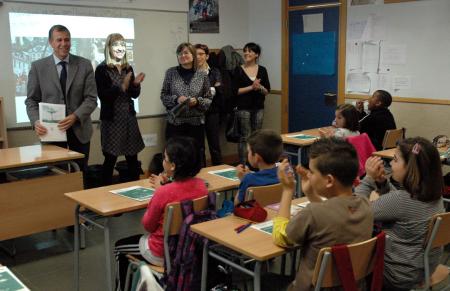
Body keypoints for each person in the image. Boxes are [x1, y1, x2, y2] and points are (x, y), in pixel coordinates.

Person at [273, 138, 373, 291]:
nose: (309, 176)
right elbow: (334, 215)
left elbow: (281, 237)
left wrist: (287, 190)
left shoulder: (313, 213)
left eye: (312, 172)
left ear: (329, 180)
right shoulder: (365, 205)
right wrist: (311, 194)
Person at [114, 136, 207, 291]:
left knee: (119, 247)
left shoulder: (164, 193)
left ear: (173, 166)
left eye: (165, 158)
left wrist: (161, 190)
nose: (163, 161)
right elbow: (181, 191)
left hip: (160, 252)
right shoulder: (202, 187)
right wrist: (165, 186)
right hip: (188, 249)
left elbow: (148, 226)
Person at [355, 137, 444, 290]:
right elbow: (400, 204)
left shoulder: (400, 201)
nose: (390, 164)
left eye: (395, 160)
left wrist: (369, 179)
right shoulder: (435, 196)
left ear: (410, 168)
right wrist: (383, 183)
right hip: (423, 268)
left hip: (395, 276)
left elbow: (354, 211)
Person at [26, 24, 97, 178]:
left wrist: (75, 116)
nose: (64, 44)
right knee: (57, 175)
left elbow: (91, 98)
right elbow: (31, 100)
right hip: (51, 132)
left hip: (79, 130)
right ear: (51, 42)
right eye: (59, 40)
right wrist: (36, 121)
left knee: (81, 174)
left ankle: (81, 202)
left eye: (67, 40)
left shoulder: (84, 65)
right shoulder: (38, 67)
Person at [95, 33, 146, 185]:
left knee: (132, 157)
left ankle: (136, 191)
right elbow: (104, 96)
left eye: (122, 45)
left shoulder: (128, 67)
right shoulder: (101, 69)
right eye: (116, 45)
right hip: (112, 120)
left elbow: (134, 95)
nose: (119, 48)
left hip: (128, 118)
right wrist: (121, 87)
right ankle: (105, 194)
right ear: (109, 48)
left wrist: (135, 84)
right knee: (110, 158)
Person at [160, 42, 212, 167]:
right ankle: (175, 184)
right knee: (175, 156)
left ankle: (198, 182)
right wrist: (177, 99)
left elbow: (208, 98)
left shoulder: (202, 75)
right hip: (175, 123)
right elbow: (163, 96)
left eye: (186, 53)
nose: (183, 55)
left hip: (196, 124)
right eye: (180, 53)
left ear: (193, 55)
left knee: (196, 155)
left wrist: (197, 101)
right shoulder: (171, 73)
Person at [232, 42, 271, 164]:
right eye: (245, 51)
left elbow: (267, 91)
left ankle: (255, 162)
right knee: (245, 137)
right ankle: (244, 164)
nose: (246, 53)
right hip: (243, 108)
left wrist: (260, 87)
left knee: (257, 137)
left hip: (258, 107)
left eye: (250, 51)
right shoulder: (238, 70)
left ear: (256, 55)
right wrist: (251, 87)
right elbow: (235, 91)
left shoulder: (262, 70)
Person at [234, 129, 282, 204]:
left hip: (253, 215)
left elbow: (237, 204)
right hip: (278, 213)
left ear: (256, 158)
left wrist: (242, 180)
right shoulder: (284, 175)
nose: (248, 154)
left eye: (249, 151)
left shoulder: (248, 179)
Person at [195, 43, 223, 165]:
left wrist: (212, 90)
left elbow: (220, 89)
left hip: (212, 112)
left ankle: (219, 172)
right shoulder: (191, 72)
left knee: (214, 145)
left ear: (207, 56)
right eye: (195, 54)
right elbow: (194, 93)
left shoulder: (215, 71)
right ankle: (201, 174)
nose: (198, 57)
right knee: (199, 146)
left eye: (201, 54)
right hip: (196, 113)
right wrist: (211, 89)